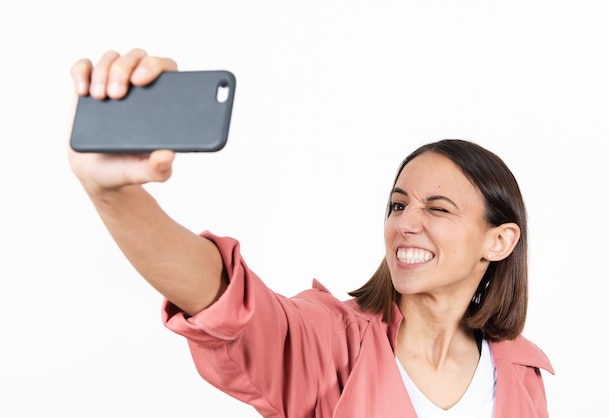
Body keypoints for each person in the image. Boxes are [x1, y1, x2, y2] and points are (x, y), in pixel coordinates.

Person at [68, 48, 554, 418]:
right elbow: (225, 299)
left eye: (438, 208)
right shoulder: (327, 343)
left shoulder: (520, 371)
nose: (406, 222)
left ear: (499, 241)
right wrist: (113, 196)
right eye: (398, 204)